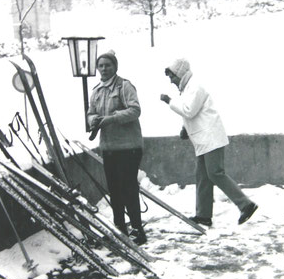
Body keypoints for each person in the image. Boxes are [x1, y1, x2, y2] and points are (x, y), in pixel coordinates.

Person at [160, 58, 258, 228]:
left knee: (215, 173)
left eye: (172, 77)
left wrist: (169, 101)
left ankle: (246, 205)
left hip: (211, 138)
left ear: (180, 74)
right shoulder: (187, 90)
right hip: (203, 140)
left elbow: (189, 111)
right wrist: (185, 129)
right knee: (203, 176)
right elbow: (191, 113)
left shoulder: (195, 87)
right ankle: (203, 215)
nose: (171, 81)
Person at [87, 50, 147, 245]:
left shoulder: (124, 86)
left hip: (129, 147)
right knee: (114, 189)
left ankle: (138, 230)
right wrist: (93, 120)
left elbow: (135, 110)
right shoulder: (96, 91)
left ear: (115, 67)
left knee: (129, 188)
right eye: (101, 66)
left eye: (108, 65)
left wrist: (111, 119)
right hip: (109, 148)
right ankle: (120, 229)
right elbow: (89, 114)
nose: (104, 69)